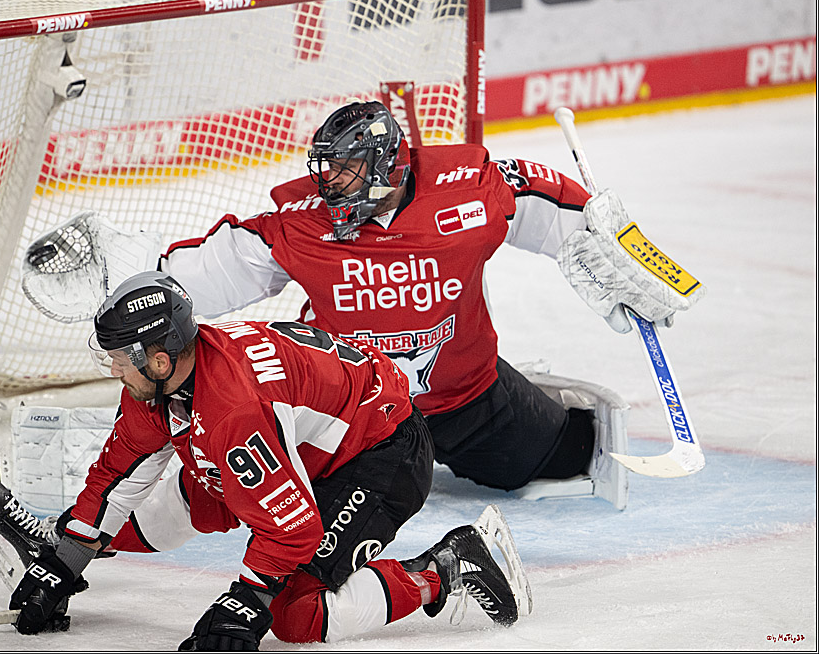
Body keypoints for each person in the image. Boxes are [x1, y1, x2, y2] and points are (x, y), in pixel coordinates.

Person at [151, 100, 700, 509]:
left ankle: (538, 404)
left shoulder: (468, 191)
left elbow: (557, 206)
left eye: (345, 169)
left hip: (467, 398)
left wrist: (620, 252)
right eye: (326, 169)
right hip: (351, 418)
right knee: (297, 508)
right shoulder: (301, 223)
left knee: (570, 456)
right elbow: (209, 272)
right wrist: (141, 287)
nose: (329, 184)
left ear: (386, 166)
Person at [0, 271, 530, 647]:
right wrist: (68, 559)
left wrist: (247, 599)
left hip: (379, 452)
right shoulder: (168, 381)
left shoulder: (233, 412)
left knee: (295, 615)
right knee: (178, 498)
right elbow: (118, 475)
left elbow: (291, 528)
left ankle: (447, 565)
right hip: (307, 443)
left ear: (158, 359)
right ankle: (61, 542)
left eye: (118, 359)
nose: (113, 370)